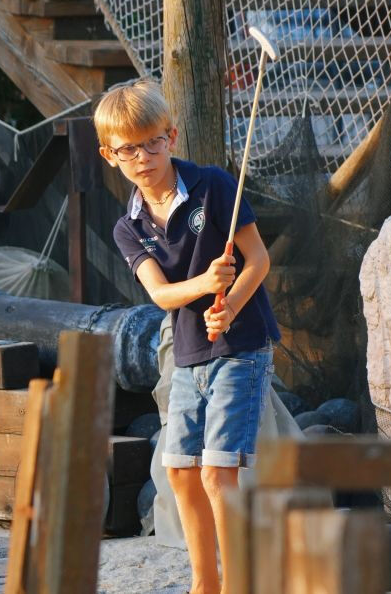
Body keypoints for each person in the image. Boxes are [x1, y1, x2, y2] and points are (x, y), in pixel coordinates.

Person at [95, 79, 281, 594]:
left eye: (152, 142)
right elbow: (160, 294)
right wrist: (204, 286)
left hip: (242, 349)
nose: (143, 156)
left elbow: (258, 260)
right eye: (128, 148)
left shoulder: (215, 186)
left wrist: (231, 305)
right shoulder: (128, 226)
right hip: (187, 353)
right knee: (179, 470)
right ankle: (205, 583)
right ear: (109, 155)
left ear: (171, 136)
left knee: (219, 473)